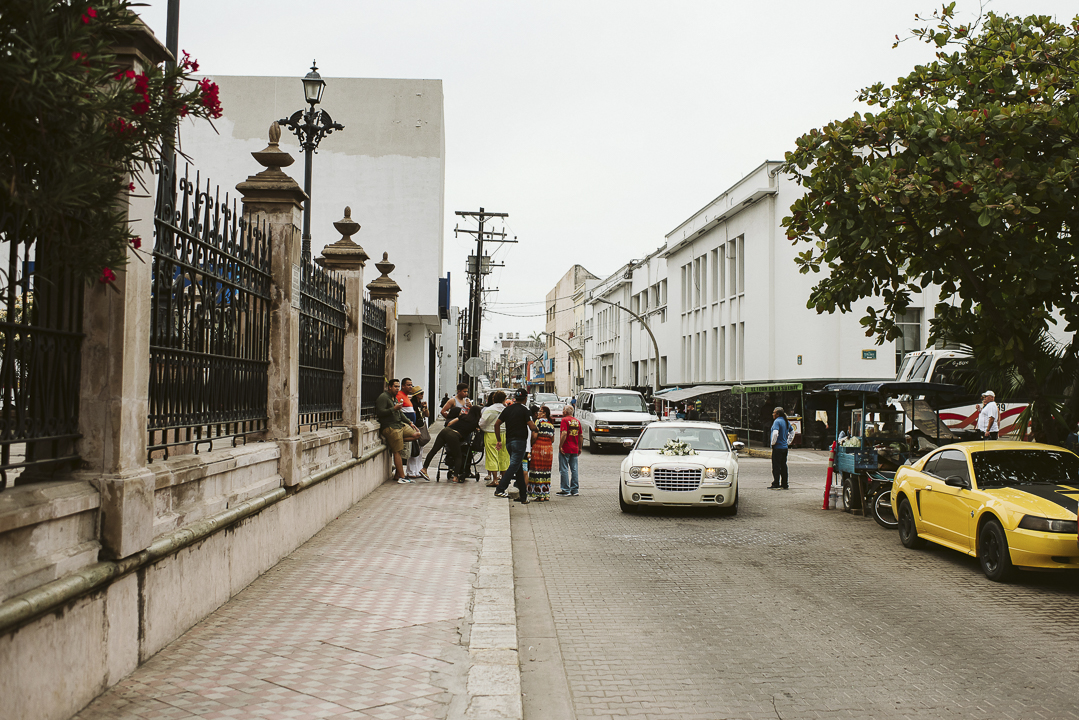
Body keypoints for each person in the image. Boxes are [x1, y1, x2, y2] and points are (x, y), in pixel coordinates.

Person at [494, 388, 538, 503]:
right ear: (526, 398)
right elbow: (531, 426)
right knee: (514, 465)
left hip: (509, 442)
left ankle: (523, 497)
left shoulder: (508, 409)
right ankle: (500, 488)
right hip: (519, 442)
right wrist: (537, 428)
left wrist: (499, 440)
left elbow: (497, 424)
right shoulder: (525, 410)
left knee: (518, 469)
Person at [376, 379, 421, 483]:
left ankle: (396, 441)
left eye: (398, 387)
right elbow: (380, 412)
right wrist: (393, 409)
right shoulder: (384, 397)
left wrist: (410, 422)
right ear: (390, 387)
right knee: (398, 451)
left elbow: (400, 413)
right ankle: (401, 476)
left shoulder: (394, 398)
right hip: (390, 427)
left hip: (399, 424)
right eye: (395, 386)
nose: (397, 389)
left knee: (417, 434)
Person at [421, 405, 481, 482]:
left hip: (445, 431)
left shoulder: (463, 416)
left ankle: (424, 468)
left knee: (434, 450)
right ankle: (455, 476)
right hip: (454, 435)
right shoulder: (475, 423)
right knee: (458, 456)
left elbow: (450, 423)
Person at [480, 391, 510, 487]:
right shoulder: (506, 409)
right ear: (504, 399)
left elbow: (482, 423)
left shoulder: (489, 410)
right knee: (504, 456)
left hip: (490, 434)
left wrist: (486, 429)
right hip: (504, 434)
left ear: (493, 399)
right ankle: (504, 480)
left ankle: (495, 479)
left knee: (492, 456)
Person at [528, 406, 555, 501]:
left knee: (537, 470)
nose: (538, 413)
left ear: (544, 413)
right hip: (548, 449)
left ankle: (539, 494)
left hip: (538, 447)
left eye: (540, 411)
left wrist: (530, 445)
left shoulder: (538, 422)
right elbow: (552, 439)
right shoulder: (551, 424)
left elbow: (534, 436)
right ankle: (546, 494)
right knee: (546, 471)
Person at [557, 405, 582, 496]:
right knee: (574, 469)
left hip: (566, 447)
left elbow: (564, 433)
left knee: (564, 469)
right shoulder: (577, 421)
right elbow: (580, 435)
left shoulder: (564, 420)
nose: (562, 411)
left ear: (566, 412)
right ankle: (575, 490)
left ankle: (565, 489)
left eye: (563, 410)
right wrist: (580, 447)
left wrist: (560, 446)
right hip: (574, 448)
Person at [769, 406, 794, 490]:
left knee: (776, 466)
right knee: (783, 465)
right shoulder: (786, 421)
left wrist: (773, 443)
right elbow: (792, 431)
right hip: (784, 447)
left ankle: (776, 483)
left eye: (774, 413)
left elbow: (775, 433)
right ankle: (784, 483)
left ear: (777, 414)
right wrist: (788, 442)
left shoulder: (777, 421)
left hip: (778, 447)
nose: (773, 414)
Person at [405, 386, 428, 480]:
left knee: (420, 450)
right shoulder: (413, 404)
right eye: (420, 393)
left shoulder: (420, 404)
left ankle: (418, 469)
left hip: (421, 427)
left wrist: (425, 408)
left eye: (422, 393)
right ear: (416, 395)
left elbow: (427, 415)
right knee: (414, 450)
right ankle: (411, 471)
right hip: (416, 427)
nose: (422, 395)